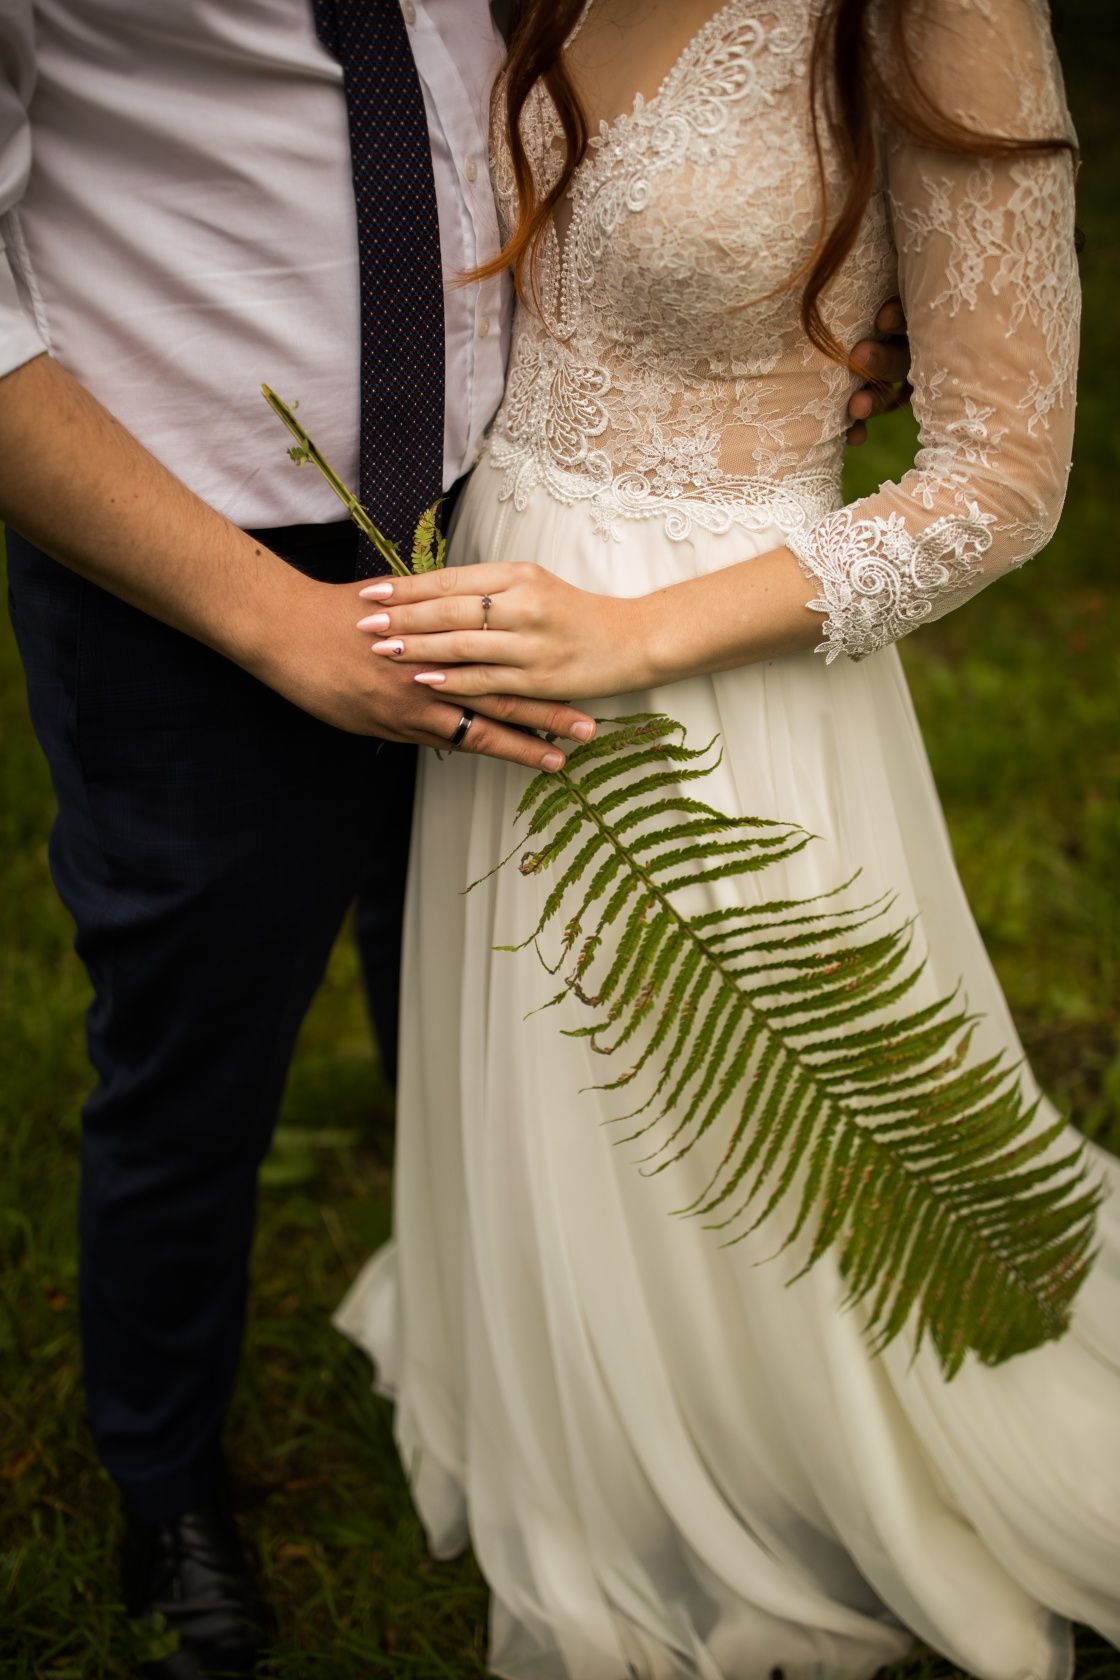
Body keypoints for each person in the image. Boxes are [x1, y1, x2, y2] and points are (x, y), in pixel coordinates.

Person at [0, 1, 906, 1675]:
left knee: (513, 995)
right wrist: (276, 624)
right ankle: (164, 1462)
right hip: (182, 550)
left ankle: (525, 1368)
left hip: (512, 509)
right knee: (195, 1032)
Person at [335, 2, 1120, 1677]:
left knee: (754, 1120)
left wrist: (629, 641)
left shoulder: (940, 16)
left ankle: (774, 1443)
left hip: (710, 667)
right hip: (510, 585)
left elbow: (1005, 476)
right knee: (559, 1092)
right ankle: (568, 1382)